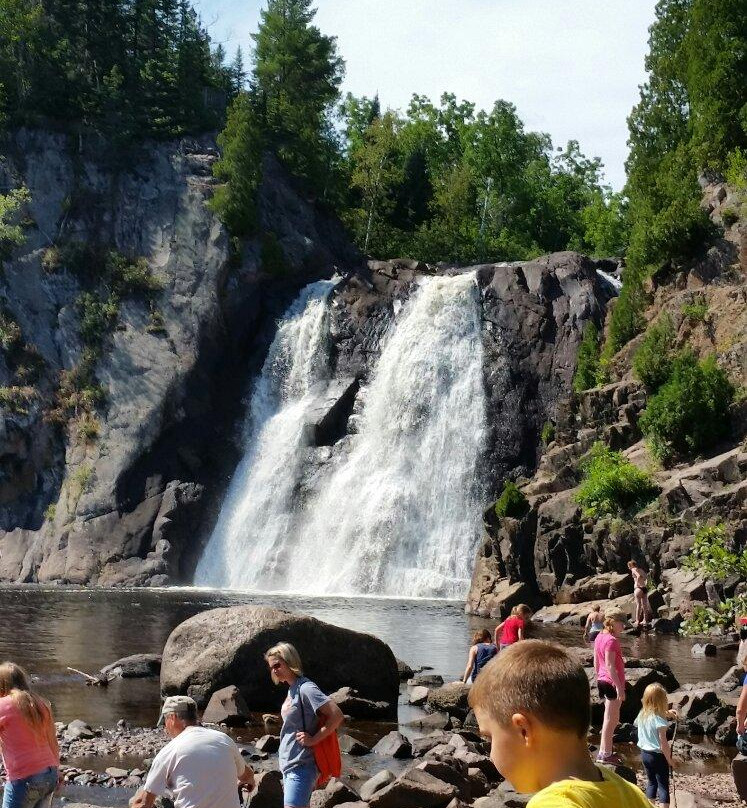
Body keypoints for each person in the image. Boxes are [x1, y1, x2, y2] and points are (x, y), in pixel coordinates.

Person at [468, 640, 651, 808]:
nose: (491, 756)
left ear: (523, 731)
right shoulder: (628, 791)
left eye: (490, 737)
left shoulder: (552, 804)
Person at [130, 695, 255, 808]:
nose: (165, 727)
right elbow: (247, 775)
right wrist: (248, 782)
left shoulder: (169, 751)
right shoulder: (223, 739)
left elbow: (144, 803)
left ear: (172, 718)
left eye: (165, 720)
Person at [265, 642, 344, 808]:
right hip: (290, 765)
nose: (274, 670)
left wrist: (314, 739)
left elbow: (336, 716)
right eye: (271, 667)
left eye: (277, 665)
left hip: (302, 765)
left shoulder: (306, 688)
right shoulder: (291, 688)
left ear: (290, 661)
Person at [0, 662, 59, 808]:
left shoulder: (3, 705)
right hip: (49, 774)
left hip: (24, 777)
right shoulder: (41, 704)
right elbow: (52, 740)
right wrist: (58, 771)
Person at [594, 608, 627, 764]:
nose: (624, 627)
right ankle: (606, 754)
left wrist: (597, 676)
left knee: (610, 718)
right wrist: (619, 687)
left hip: (602, 680)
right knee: (611, 719)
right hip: (611, 682)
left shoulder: (600, 636)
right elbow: (610, 665)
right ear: (613, 622)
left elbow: (596, 661)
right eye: (622, 623)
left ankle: (603, 751)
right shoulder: (612, 640)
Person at [635, 683, 675, 808]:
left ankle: (649, 805)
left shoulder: (642, 714)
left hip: (644, 754)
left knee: (651, 782)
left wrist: (668, 713)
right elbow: (663, 744)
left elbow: (655, 711)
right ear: (662, 701)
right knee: (663, 785)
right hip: (657, 756)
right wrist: (670, 760)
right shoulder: (660, 721)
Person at [628, 560, 652, 628]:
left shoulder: (633, 569)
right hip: (644, 588)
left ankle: (637, 620)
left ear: (631, 565)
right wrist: (644, 584)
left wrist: (637, 584)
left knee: (638, 605)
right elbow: (646, 577)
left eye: (629, 566)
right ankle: (645, 620)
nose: (629, 568)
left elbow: (638, 576)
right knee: (645, 605)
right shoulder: (641, 570)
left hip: (638, 589)